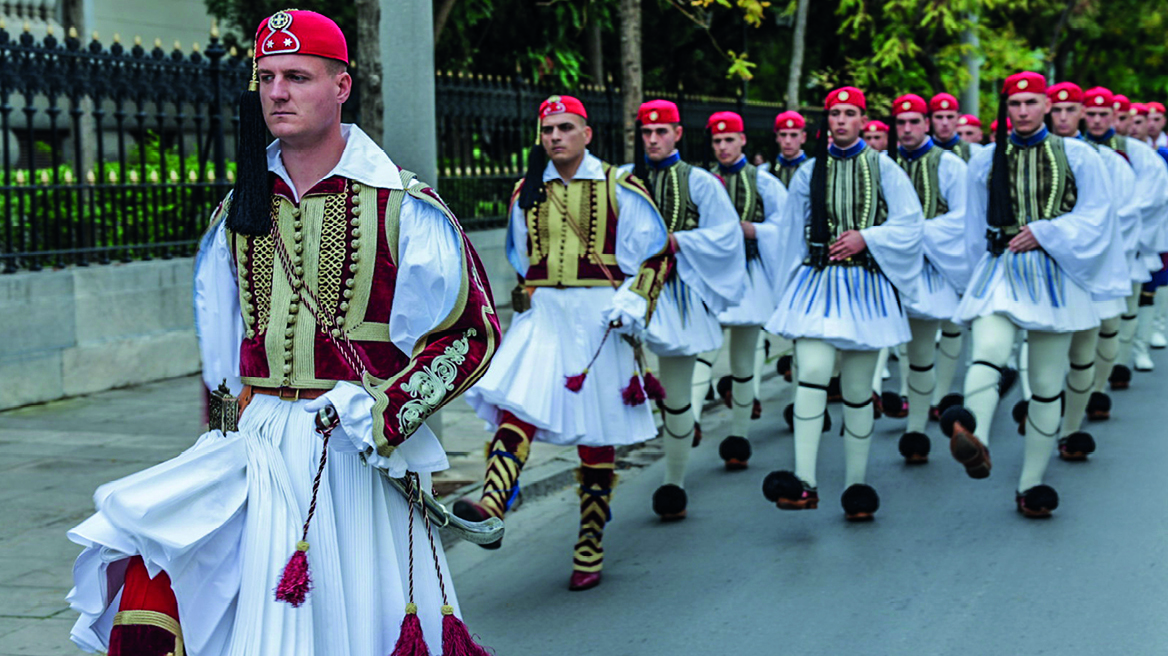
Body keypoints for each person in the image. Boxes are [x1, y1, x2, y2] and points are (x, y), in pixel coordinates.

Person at [66, 10, 500, 655]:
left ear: (342, 85)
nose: (276, 92)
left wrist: (382, 412)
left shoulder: (401, 203)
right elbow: (220, 346)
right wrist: (219, 435)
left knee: (340, 626)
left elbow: (469, 334)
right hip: (256, 438)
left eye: (297, 76)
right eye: (266, 77)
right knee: (146, 557)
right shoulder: (238, 207)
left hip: (353, 448)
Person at [462, 95, 670, 591]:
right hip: (546, 316)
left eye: (565, 127)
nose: (555, 136)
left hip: (599, 316)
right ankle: (492, 501)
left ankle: (591, 539)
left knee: (597, 432)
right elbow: (518, 255)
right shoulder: (525, 189)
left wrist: (634, 301)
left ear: (586, 133)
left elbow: (656, 254)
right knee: (521, 403)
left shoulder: (620, 186)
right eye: (548, 129)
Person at [942, 72, 1114, 518]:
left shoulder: (1078, 155)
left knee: (1044, 384)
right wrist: (969, 279)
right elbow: (971, 225)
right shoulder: (983, 160)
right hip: (999, 270)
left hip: (1054, 275)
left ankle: (1031, 483)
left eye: (1031, 102)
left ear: (1048, 106)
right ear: (1006, 108)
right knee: (988, 350)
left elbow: (1098, 217)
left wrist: (1045, 231)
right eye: (1014, 103)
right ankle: (972, 435)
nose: (1022, 111)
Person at [762, 86, 923, 520]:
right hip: (817, 285)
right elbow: (790, 237)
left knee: (856, 390)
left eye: (850, 113)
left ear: (863, 119)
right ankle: (804, 482)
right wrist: (781, 298)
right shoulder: (808, 172)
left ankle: (856, 483)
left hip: (866, 287)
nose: (841, 121)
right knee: (812, 373)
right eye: (834, 113)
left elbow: (910, 226)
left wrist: (867, 237)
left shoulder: (885, 169)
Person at [627, 100, 744, 520]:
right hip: (628, 298)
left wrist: (680, 242)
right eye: (646, 133)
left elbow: (726, 237)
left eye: (661, 132)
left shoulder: (700, 182)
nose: (653, 140)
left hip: (676, 300)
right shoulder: (624, 179)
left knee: (675, 398)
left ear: (678, 133)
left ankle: (672, 482)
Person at [685, 111, 786, 517]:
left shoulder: (765, 182)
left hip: (749, 279)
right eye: (717, 141)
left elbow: (785, 226)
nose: (723, 147)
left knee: (744, 362)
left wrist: (753, 231)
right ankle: (688, 419)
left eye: (730, 140)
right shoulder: (702, 181)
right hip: (710, 281)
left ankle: (740, 438)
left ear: (743, 140)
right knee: (701, 353)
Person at [1043, 82, 1135, 458]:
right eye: (1058, 110)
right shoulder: (1030, 154)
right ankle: (1041, 405)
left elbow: (1123, 213)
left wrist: (1079, 248)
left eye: (1072, 110)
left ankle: (1076, 418)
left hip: (1092, 266)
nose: (1064, 117)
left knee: (1088, 342)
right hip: (1042, 268)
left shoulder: (1111, 160)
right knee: (1042, 343)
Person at [887, 93, 970, 463]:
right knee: (897, 348)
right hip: (888, 268)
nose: (906, 129)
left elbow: (963, 219)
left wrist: (912, 234)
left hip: (932, 268)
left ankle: (916, 429)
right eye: (900, 123)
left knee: (920, 352)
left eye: (914, 122)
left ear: (927, 123)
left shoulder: (949, 165)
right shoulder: (883, 164)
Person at [930, 92, 976, 161]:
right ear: (930, 120)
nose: (944, 123)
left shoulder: (973, 152)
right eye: (939, 117)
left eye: (950, 117)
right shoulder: (920, 151)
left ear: (958, 118)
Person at [772, 110, 809, 188]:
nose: (788, 141)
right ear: (777, 137)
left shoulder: (811, 170)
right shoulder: (768, 170)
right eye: (783, 135)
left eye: (793, 135)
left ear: (803, 137)